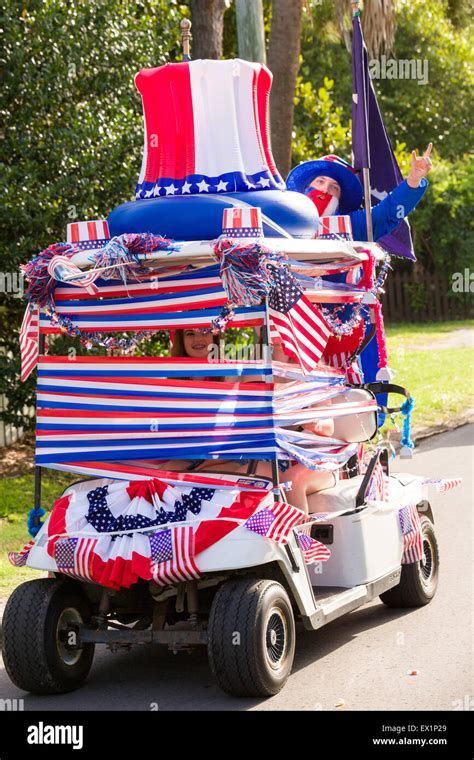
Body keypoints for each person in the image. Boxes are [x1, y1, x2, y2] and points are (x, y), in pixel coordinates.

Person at [286, 145, 433, 241]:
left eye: (334, 187)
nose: (324, 190)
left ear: (340, 198)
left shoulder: (351, 224)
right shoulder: (284, 217)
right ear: (307, 186)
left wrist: (413, 179)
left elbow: (388, 212)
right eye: (320, 181)